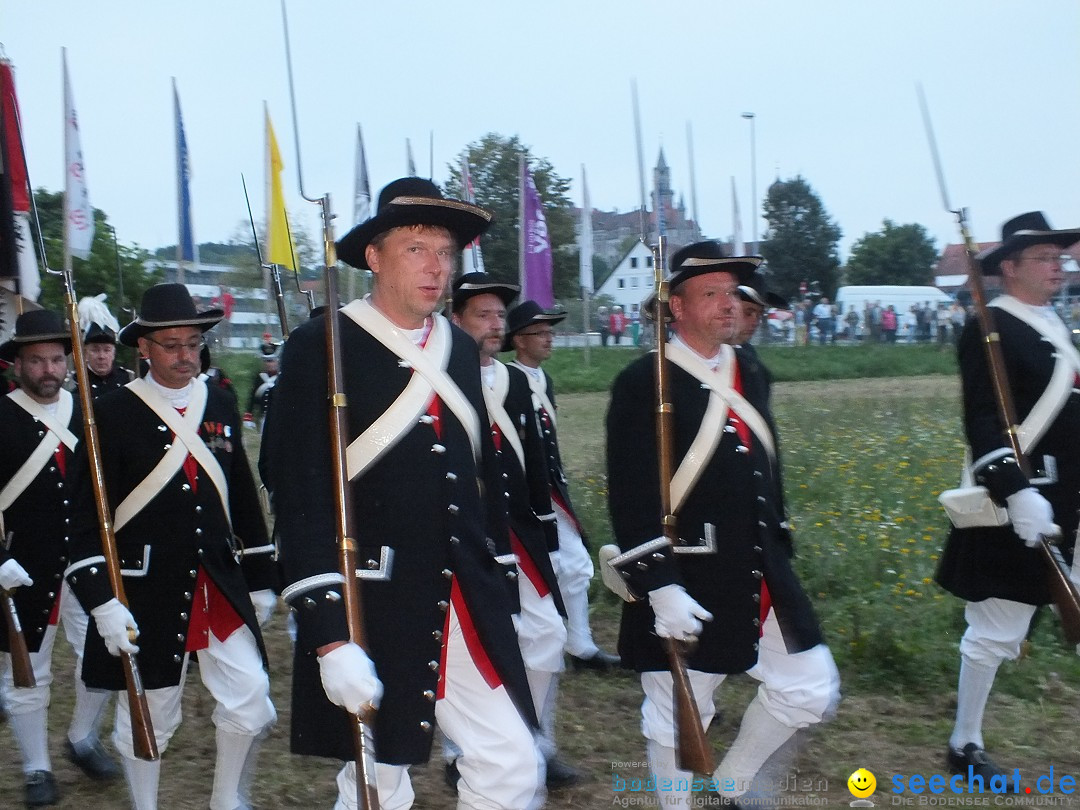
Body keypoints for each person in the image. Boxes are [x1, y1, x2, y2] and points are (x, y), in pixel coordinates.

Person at [261, 177, 541, 810]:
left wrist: (501, 582)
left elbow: (480, 478)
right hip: (374, 596)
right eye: (417, 247)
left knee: (512, 766)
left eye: (445, 251)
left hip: (463, 591)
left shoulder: (460, 351)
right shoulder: (320, 345)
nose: (437, 266)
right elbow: (298, 492)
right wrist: (329, 634)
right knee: (377, 789)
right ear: (373, 256)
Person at [605, 241, 839, 807]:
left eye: (732, 293)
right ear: (677, 307)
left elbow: (764, 468)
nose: (727, 304)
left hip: (760, 566)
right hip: (689, 573)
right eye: (711, 293)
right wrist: (658, 587)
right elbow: (632, 494)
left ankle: (729, 789)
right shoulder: (645, 380)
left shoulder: (749, 368)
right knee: (677, 709)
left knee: (809, 688)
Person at [65, 283, 278, 810]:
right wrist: (101, 601)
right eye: (172, 345)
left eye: (192, 343)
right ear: (144, 348)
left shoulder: (221, 403)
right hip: (146, 589)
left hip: (218, 584)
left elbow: (242, 498)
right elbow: (87, 519)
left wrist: (260, 576)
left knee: (251, 700)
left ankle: (227, 799)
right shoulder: (112, 414)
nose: (185, 355)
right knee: (150, 712)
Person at [935, 212, 1080, 778]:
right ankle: (964, 742)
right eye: (1045, 258)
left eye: (1059, 257)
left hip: (1071, 495)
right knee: (997, 630)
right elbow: (983, 420)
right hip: (1022, 501)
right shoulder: (989, 326)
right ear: (1010, 268)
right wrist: (1016, 492)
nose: (1058, 266)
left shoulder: (1054, 324)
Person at [449, 271, 577, 794]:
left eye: (500, 315)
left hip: (518, 531)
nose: (496, 324)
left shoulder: (518, 382)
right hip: (469, 531)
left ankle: (537, 740)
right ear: (455, 320)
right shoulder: (439, 378)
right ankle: (459, 749)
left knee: (547, 632)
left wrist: (546, 532)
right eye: (483, 314)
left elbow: (538, 465)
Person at [0, 310, 119, 806]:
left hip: (87, 556)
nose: (48, 370)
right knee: (25, 667)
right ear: (18, 366)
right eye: (37, 361)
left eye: (55, 359)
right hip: (22, 564)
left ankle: (81, 739)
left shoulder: (88, 410)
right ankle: (35, 767)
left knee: (110, 651)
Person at [505, 300, 621, 674]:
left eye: (550, 332)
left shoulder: (544, 380)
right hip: (522, 495)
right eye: (540, 333)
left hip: (551, 488)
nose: (549, 340)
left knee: (575, 564)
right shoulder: (506, 380)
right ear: (520, 341)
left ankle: (580, 645)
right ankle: (529, 645)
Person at [75, 294, 134, 399]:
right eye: (95, 350)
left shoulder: (128, 378)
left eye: (107, 350)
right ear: (85, 353)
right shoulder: (76, 382)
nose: (101, 356)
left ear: (114, 353)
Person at [244, 339, 280, 432]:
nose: (269, 364)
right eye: (267, 361)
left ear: (277, 361)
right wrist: (249, 415)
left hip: (280, 417)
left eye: (272, 360)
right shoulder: (259, 377)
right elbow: (253, 396)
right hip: (264, 418)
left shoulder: (282, 377)